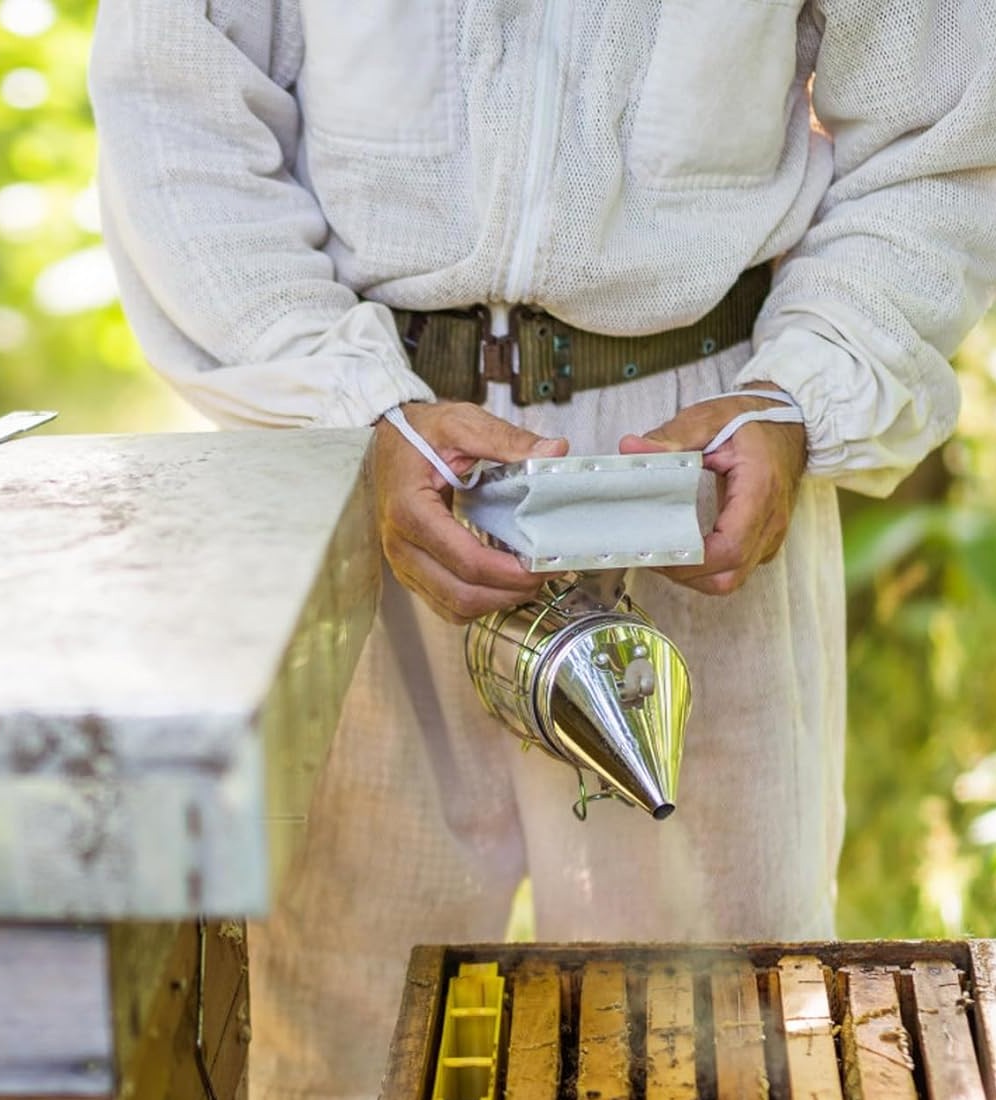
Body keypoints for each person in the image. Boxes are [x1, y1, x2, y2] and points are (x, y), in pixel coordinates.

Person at [89, 3, 996, 1096]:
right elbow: (176, 106)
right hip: (358, 446)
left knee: (705, 1024)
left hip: (695, 450)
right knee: (328, 1017)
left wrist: (799, 392)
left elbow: (936, 137)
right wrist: (346, 397)